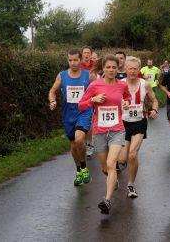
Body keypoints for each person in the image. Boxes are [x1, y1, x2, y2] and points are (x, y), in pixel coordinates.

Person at [79, 54, 131, 214]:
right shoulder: (95, 85)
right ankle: (112, 179)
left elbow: (127, 96)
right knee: (104, 168)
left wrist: (127, 102)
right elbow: (81, 105)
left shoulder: (122, 85)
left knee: (111, 163)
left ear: (118, 68)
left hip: (117, 130)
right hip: (99, 131)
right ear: (103, 68)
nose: (111, 70)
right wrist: (93, 100)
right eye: (108, 67)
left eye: (114, 67)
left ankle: (107, 200)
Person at [49, 49, 93, 186]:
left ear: (80, 60)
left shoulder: (89, 75)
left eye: (75, 60)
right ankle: (79, 170)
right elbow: (52, 91)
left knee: (80, 139)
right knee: (73, 147)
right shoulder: (62, 76)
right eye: (70, 60)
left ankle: (85, 168)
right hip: (69, 114)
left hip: (84, 112)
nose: (73, 63)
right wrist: (52, 101)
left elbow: (100, 88)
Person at [118, 56, 158, 198]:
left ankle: (130, 185)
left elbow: (154, 100)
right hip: (123, 124)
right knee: (122, 160)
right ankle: (117, 169)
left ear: (139, 69)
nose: (133, 71)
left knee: (132, 154)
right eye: (130, 68)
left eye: (135, 68)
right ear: (126, 69)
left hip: (139, 123)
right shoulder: (119, 84)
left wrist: (154, 110)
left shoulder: (145, 84)